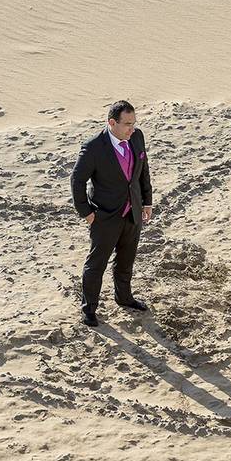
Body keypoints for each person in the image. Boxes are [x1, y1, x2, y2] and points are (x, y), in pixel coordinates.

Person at [71, 100, 153, 327]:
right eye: (127, 124)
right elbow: (77, 180)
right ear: (112, 123)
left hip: (132, 212)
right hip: (105, 216)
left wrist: (147, 202)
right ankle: (89, 309)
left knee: (126, 260)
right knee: (96, 264)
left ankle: (124, 297)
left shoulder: (137, 137)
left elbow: (142, 171)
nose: (132, 128)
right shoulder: (94, 147)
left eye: (134, 123)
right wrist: (86, 212)